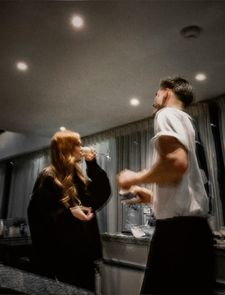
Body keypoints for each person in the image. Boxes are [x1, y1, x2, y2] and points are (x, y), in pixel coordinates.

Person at [117, 77, 215, 295]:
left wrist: (133, 178)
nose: (155, 97)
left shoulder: (166, 114)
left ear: (167, 92)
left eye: (156, 92)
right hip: (197, 234)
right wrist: (153, 197)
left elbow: (175, 164)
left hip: (176, 236)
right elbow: (186, 184)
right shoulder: (189, 123)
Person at [27, 129, 111, 292]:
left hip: (83, 254)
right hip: (62, 256)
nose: (82, 148)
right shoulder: (49, 176)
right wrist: (68, 213)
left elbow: (100, 196)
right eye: (78, 144)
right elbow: (37, 214)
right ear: (66, 148)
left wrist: (92, 165)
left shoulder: (78, 177)